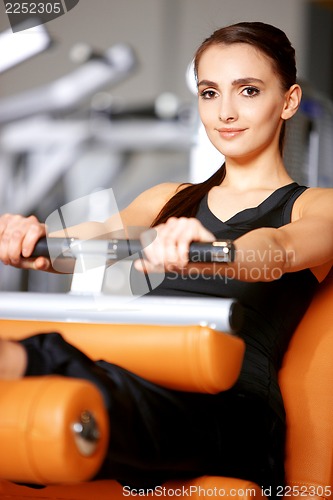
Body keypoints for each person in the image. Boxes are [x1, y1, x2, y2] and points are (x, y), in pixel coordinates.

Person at [0, 21, 333, 496]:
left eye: (248, 90)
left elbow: (277, 251)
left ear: (288, 101)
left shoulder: (316, 205)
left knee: (55, 370)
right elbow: (96, 235)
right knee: (66, 371)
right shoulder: (168, 199)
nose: (226, 112)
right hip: (141, 387)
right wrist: (35, 239)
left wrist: (212, 254)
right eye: (210, 93)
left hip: (230, 417)